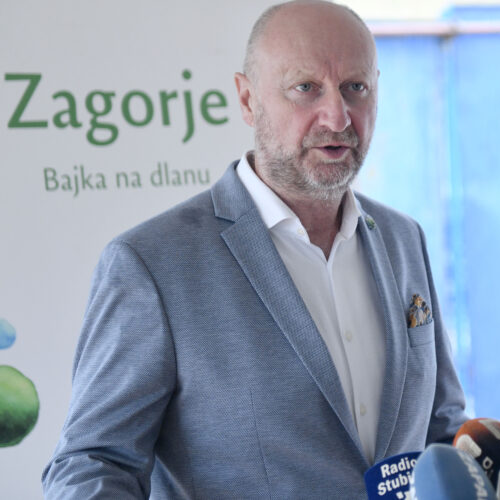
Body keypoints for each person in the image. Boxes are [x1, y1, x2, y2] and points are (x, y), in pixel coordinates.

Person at [41, 1, 468, 498]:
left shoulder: (403, 238)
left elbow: (442, 429)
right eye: (305, 88)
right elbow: (91, 465)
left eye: (356, 87)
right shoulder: (152, 265)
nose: (337, 116)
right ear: (247, 100)